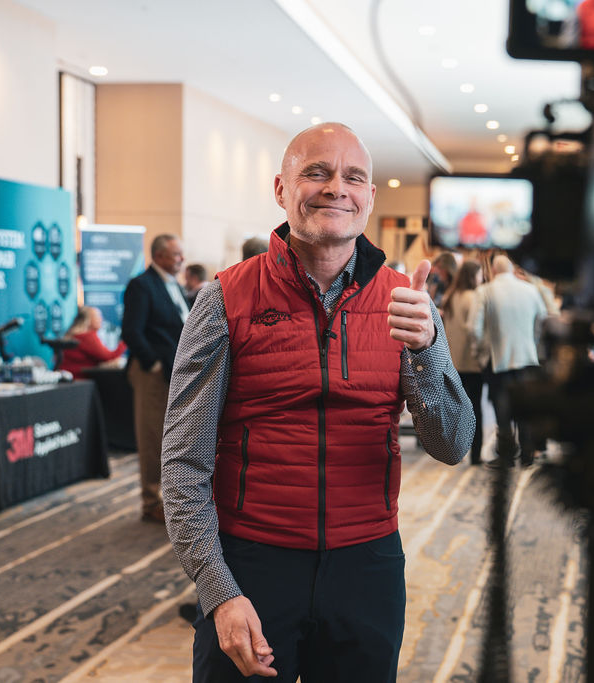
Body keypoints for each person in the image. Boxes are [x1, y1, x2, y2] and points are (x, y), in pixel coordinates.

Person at [161, 122, 474, 682]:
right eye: (316, 172)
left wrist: (426, 351)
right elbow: (184, 463)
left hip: (367, 564)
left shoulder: (407, 302)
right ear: (281, 189)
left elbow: (452, 444)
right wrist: (218, 590)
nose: (336, 188)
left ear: (369, 197)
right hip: (252, 562)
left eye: (353, 177)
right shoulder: (225, 298)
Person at [121, 234, 189, 524]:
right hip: (153, 373)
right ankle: (151, 501)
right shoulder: (142, 285)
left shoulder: (174, 284)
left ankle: (171, 500)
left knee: (173, 438)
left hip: (177, 372)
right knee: (152, 436)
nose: (182, 259)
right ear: (159, 256)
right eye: (176, 255)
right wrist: (153, 364)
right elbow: (131, 330)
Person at [470, 253, 548, 467]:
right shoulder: (530, 290)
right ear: (513, 269)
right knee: (525, 405)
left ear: (494, 270)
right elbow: (541, 320)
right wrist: (533, 342)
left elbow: (474, 328)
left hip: (497, 358)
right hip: (527, 356)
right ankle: (527, 453)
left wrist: (480, 354)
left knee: (501, 407)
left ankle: (506, 455)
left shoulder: (485, 291)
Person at [441, 260, 486, 464]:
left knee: (456, 410)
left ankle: (455, 451)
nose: (481, 278)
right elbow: (476, 330)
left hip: (454, 363)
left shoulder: (450, 296)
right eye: (479, 274)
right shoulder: (473, 297)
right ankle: (475, 455)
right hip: (472, 362)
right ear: (472, 276)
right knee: (475, 409)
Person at [56, 306, 127, 379]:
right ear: (88, 320)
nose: (101, 319)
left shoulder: (74, 334)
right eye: (98, 316)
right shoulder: (86, 336)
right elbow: (108, 357)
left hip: (68, 377)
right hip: (79, 378)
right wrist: (126, 340)